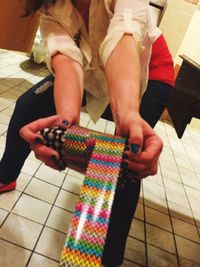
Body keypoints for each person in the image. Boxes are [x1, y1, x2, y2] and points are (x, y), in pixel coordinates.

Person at [0, 1, 174, 266]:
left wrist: (127, 113)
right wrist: (66, 123)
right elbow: (67, 62)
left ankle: (108, 257)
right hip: (90, 71)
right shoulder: (49, 5)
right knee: (28, 106)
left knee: (127, 159)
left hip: (145, 73)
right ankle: (5, 176)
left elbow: (121, 41)